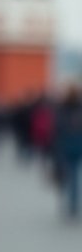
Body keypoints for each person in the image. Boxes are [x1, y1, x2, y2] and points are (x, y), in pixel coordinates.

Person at [53, 85, 82, 219]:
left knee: (68, 176)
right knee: (73, 176)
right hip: (76, 145)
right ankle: (72, 202)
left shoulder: (60, 109)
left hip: (65, 146)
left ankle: (70, 202)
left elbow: (57, 130)